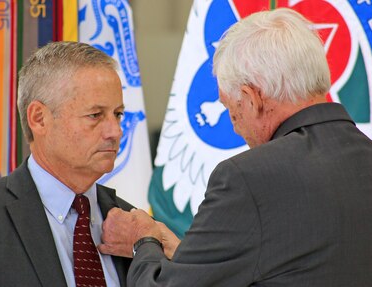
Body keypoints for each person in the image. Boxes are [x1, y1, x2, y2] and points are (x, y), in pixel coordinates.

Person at [98, 8, 372, 287]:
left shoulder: (248, 178)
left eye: (231, 110)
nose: (235, 128)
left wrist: (142, 242)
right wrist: (185, 255)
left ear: (251, 99)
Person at [0, 41, 134, 287]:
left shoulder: (133, 223)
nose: (115, 131)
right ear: (39, 118)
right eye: (95, 115)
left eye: (117, 114)